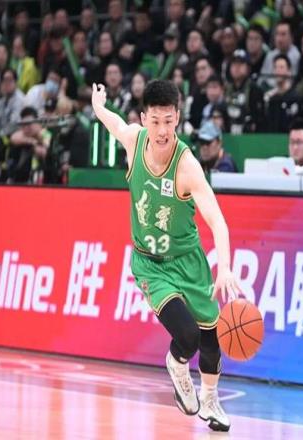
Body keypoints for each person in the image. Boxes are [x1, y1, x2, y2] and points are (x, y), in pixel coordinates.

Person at [92, 80, 240, 432]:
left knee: (211, 340)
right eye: (155, 121)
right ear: (144, 119)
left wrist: (225, 268)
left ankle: (210, 400)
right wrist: (98, 106)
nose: (162, 131)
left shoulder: (187, 166)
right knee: (187, 336)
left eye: (169, 121)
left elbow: (217, 221)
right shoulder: (134, 139)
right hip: (151, 265)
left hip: (188, 261)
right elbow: (114, 123)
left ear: (178, 118)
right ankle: (177, 364)